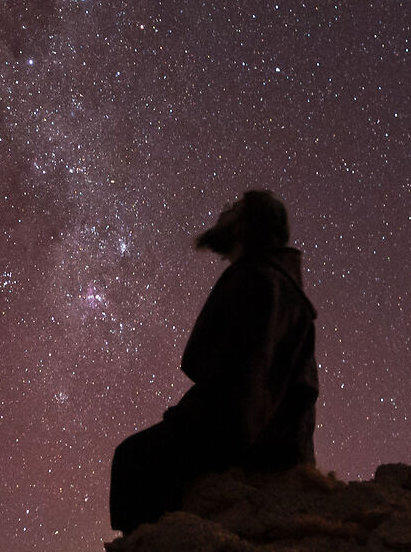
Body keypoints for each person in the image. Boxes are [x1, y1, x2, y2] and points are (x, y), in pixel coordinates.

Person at [108, 189, 319, 533]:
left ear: (245, 226)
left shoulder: (253, 279)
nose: (224, 212)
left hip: (252, 440)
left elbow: (238, 377)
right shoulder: (288, 292)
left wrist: (205, 430)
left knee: (133, 460)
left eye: (234, 209)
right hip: (287, 442)